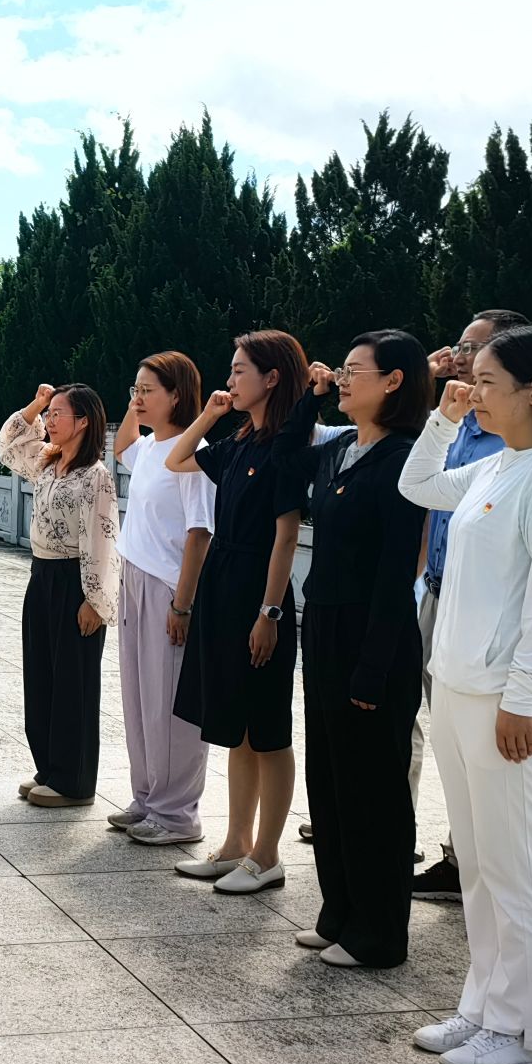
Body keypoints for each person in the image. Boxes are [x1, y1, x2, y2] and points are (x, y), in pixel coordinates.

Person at [399, 325, 532, 1064]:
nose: (473, 389)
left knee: (519, 870)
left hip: (508, 702)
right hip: (458, 689)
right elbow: (417, 486)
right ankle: (485, 1006)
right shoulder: (496, 465)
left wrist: (522, 696)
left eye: (487, 381)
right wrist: (442, 417)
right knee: (481, 867)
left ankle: (526, 1035)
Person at [286, 332, 431, 968]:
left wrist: (373, 666)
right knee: (330, 779)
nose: (342, 379)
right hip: (324, 623)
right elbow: (284, 461)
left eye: (353, 371)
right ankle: (339, 912)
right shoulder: (341, 448)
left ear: (394, 381)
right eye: (340, 370)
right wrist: (309, 398)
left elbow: (397, 570)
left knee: (374, 789)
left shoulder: (405, 458)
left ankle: (379, 932)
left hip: (376, 634)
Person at [160, 331, 314, 895]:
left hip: (258, 589)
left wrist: (269, 612)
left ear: (272, 378)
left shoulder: (285, 447)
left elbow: (286, 536)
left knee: (267, 729)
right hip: (223, 585)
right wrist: (210, 413)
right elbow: (177, 458)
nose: (229, 380)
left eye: (239, 371)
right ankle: (235, 845)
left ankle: (267, 856)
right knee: (236, 727)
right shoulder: (239, 441)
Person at [410, 308, 530, 902]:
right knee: (427, 726)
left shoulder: (515, 443)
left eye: (472, 348)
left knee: (475, 747)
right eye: (460, 346)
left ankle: (470, 862)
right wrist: (436, 405)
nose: (458, 355)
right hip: (436, 593)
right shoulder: (460, 422)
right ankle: (439, 849)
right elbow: (419, 485)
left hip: (484, 615)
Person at [109, 352, 217, 845]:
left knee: (168, 701)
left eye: (148, 390)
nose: (138, 398)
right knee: (138, 697)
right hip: (133, 578)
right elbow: (121, 447)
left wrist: (183, 604)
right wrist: (136, 403)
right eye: (135, 389)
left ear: (177, 395)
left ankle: (177, 814)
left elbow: (200, 533)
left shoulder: (194, 454)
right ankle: (148, 798)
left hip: (169, 586)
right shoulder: (152, 446)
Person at [0, 383, 121, 808]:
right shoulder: (48, 462)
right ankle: (49, 768)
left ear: (83, 422)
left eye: (57, 413)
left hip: (75, 581)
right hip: (42, 574)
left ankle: (74, 781)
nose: (49, 421)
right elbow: (8, 445)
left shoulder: (95, 475)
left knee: (74, 682)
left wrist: (95, 601)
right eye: (48, 414)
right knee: (42, 674)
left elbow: (102, 539)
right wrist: (36, 403)